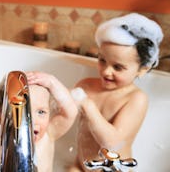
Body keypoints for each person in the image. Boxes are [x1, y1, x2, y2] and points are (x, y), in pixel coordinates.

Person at [27, 13, 164, 171]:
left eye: (118, 67)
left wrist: (88, 106)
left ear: (142, 70)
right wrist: (51, 85)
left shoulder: (135, 99)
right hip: (81, 165)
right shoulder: (86, 86)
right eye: (102, 60)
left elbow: (114, 144)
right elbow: (58, 108)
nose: (106, 71)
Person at [0, 77, 78, 172]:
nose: (32, 121)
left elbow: (71, 112)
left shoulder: (48, 135)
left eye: (41, 112)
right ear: (0, 117)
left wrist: (51, 83)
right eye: (21, 112)